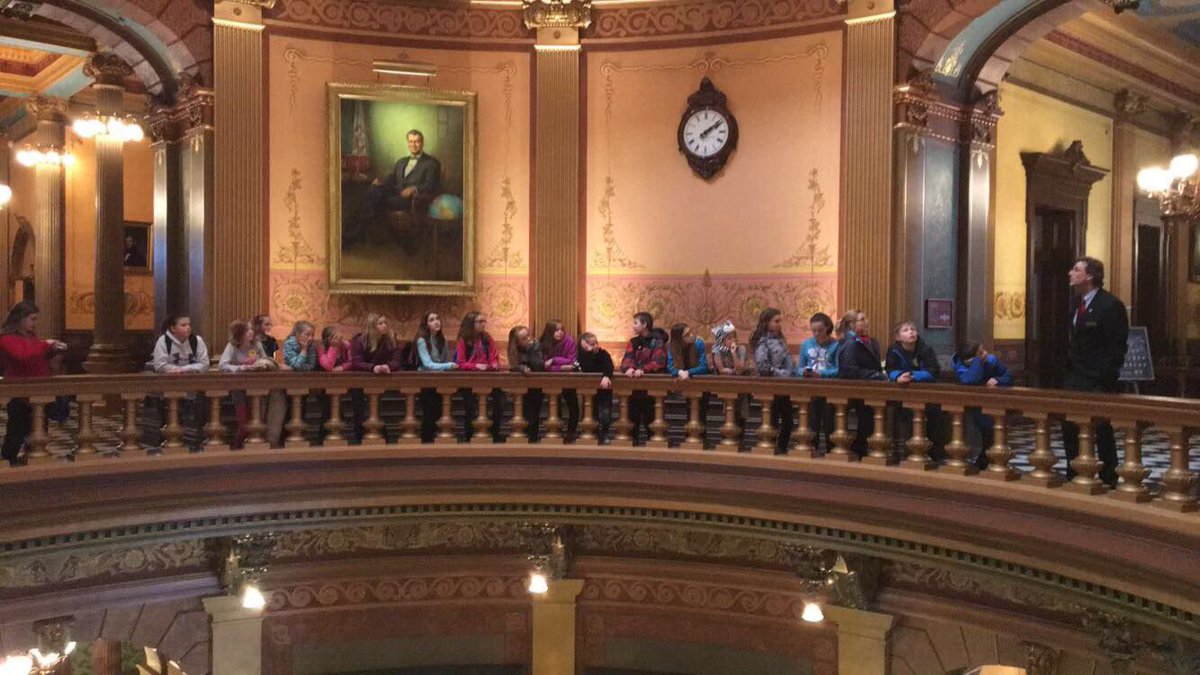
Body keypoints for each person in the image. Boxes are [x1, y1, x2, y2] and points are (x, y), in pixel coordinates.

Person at [1062, 256, 1128, 488]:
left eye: (1076, 269)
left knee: (1101, 430)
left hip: (1097, 382)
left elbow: (1116, 348)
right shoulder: (1075, 304)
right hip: (1074, 380)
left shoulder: (1110, 306)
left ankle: (1109, 475)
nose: (1070, 273)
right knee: (1069, 426)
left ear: (1089, 276)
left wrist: (1103, 380)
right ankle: (1073, 472)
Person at [0, 301, 67, 465]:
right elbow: (24, 355)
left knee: (39, 431)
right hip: (20, 394)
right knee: (16, 432)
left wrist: (54, 350)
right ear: (20, 319)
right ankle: (8, 463)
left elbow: (37, 356)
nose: (35, 323)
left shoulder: (32, 337)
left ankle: (32, 461)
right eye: (32, 319)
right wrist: (46, 344)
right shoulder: (7, 338)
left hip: (40, 392)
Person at [885, 321, 947, 460]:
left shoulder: (925, 349)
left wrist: (912, 376)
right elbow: (890, 369)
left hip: (928, 393)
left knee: (934, 423)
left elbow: (933, 371)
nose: (911, 332)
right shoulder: (893, 350)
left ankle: (934, 454)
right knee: (907, 421)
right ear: (898, 337)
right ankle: (907, 453)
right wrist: (897, 376)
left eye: (913, 329)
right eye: (906, 330)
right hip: (904, 395)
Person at [953, 341, 1013, 469]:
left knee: (992, 435)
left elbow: (1008, 375)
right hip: (973, 406)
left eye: (984, 350)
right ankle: (981, 461)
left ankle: (988, 461)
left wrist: (999, 380)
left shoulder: (991, 361)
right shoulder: (962, 365)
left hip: (994, 403)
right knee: (983, 434)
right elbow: (970, 380)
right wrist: (978, 362)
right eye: (981, 352)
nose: (986, 353)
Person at [218, 319, 276, 449]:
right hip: (239, 387)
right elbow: (222, 365)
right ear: (240, 333)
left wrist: (259, 365)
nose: (251, 332)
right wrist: (240, 368)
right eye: (247, 330)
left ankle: (253, 447)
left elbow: (266, 360)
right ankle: (237, 447)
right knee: (244, 423)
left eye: (251, 329)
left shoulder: (257, 344)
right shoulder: (232, 345)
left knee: (257, 420)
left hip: (256, 386)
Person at [349, 313, 405, 442]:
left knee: (377, 411)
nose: (384, 326)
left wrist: (388, 366)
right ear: (372, 326)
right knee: (360, 412)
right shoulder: (360, 340)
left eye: (385, 322)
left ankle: (383, 439)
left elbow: (397, 360)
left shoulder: (391, 339)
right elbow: (356, 362)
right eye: (380, 323)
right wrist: (372, 367)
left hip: (380, 382)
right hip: (360, 382)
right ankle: (358, 440)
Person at [837, 310, 884, 456]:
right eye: (862, 319)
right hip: (857, 388)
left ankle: (863, 448)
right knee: (865, 422)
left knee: (869, 421)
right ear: (852, 324)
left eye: (866, 318)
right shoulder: (850, 343)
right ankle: (859, 449)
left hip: (870, 388)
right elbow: (850, 371)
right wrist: (876, 375)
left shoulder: (871, 341)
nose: (866, 321)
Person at [751, 308, 795, 454]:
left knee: (788, 421)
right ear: (767, 323)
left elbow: (788, 361)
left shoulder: (781, 341)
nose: (779, 324)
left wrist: (789, 373)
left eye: (779, 321)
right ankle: (770, 448)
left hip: (785, 387)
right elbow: (763, 366)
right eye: (776, 321)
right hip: (771, 387)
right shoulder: (763, 342)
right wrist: (782, 374)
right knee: (772, 421)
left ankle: (782, 447)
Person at [619, 311, 667, 442]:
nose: (633, 326)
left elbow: (659, 362)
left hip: (652, 390)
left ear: (644, 324)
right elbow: (626, 360)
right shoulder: (633, 342)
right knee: (631, 422)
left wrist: (642, 369)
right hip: (633, 389)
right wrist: (629, 368)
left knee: (651, 422)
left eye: (635, 323)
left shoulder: (658, 341)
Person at [456, 311, 503, 441]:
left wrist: (494, 364)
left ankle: (495, 432)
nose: (483, 324)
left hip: (489, 377)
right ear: (472, 323)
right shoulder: (464, 340)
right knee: (470, 407)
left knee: (500, 401)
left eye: (484, 321)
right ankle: (469, 435)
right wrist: (475, 366)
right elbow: (460, 363)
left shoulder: (487, 338)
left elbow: (494, 356)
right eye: (480, 322)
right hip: (470, 378)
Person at [797, 312, 839, 454]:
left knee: (829, 423)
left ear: (827, 328)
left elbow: (839, 370)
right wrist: (803, 372)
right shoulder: (806, 344)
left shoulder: (835, 345)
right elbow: (799, 367)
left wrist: (822, 374)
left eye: (819, 330)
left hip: (829, 389)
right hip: (811, 389)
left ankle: (830, 451)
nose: (816, 333)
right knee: (811, 423)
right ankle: (811, 450)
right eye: (813, 330)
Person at [373, 129, 442, 213]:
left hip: (412, 200)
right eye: (411, 141)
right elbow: (392, 178)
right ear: (408, 143)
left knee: (377, 202)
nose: (413, 145)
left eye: (416, 142)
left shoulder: (432, 163)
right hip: (395, 194)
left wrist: (414, 188)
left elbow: (431, 185)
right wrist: (382, 181)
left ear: (422, 143)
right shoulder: (401, 161)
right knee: (374, 191)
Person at [414, 311, 458, 442]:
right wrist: (448, 365)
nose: (436, 322)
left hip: (440, 380)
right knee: (429, 413)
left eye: (438, 318)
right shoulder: (422, 340)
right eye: (432, 320)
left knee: (439, 412)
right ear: (426, 324)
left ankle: (436, 441)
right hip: (426, 380)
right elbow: (427, 364)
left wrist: (447, 365)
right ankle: (426, 441)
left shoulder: (442, 339)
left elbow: (444, 359)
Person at [667, 322, 710, 435]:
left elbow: (703, 367)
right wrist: (679, 372)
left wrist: (688, 372)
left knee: (701, 414)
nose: (691, 335)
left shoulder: (698, 343)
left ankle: (701, 439)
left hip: (700, 383)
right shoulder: (673, 347)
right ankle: (689, 437)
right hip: (684, 384)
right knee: (689, 412)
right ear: (679, 339)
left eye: (691, 331)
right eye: (687, 334)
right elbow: (670, 366)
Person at [540, 320, 580, 438]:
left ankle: (571, 432)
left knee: (573, 405)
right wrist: (562, 367)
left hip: (569, 379)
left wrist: (554, 360)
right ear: (550, 331)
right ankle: (556, 432)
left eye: (562, 329)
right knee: (554, 405)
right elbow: (544, 366)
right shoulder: (543, 343)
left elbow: (572, 362)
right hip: (552, 379)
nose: (560, 332)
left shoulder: (570, 341)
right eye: (556, 330)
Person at [710, 321, 750, 435]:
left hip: (741, 388)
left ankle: (740, 440)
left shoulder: (741, 349)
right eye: (729, 338)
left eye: (734, 337)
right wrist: (731, 371)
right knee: (728, 414)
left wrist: (733, 354)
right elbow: (722, 370)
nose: (733, 340)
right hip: (725, 388)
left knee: (740, 415)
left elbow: (740, 370)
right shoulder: (717, 350)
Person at [509, 325, 546, 442]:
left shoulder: (536, 345)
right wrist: (521, 368)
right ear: (517, 342)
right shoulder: (513, 349)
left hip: (536, 383)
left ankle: (533, 438)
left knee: (534, 412)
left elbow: (539, 365)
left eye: (528, 336)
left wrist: (531, 350)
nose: (529, 339)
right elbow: (513, 366)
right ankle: (523, 436)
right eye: (524, 338)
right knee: (523, 412)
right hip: (520, 385)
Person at [577, 332, 615, 441]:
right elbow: (586, 367)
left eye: (596, 343)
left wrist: (606, 376)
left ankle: (605, 433)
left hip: (604, 390)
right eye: (592, 344)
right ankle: (595, 434)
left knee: (606, 413)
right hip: (589, 390)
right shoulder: (582, 356)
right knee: (591, 413)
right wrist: (588, 352)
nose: (596, 346)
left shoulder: (603, 354)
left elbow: (609, 366)